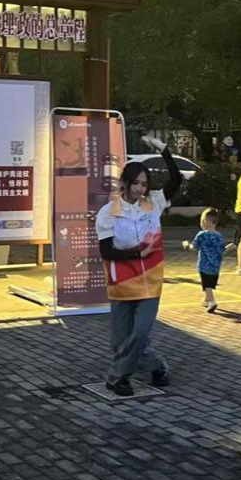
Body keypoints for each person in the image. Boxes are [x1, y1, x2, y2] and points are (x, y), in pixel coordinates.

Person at [96, 138, 183, 396]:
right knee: (120, 342)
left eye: (144, 184)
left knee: (141, 332)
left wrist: (164, 150)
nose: (140, 189)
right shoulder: (108, 212)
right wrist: (137, 253)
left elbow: (176, 179)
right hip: (121, 281)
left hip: (150, 280)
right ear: (124, 182)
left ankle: (117, 378)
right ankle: (158, 367)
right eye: (135, 183)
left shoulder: (153, 203)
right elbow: (106, 250)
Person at [183, 207, 228, 313]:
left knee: (206, 284)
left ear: (205, 221)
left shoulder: (202, 235)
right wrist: (230, 247)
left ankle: (212, 301)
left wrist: (187, 246)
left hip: (204, 264)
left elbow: (194, 248)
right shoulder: (219, 236)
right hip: (216, 266)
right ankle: (207, 299)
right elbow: (222, 250)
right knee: (210, 283)